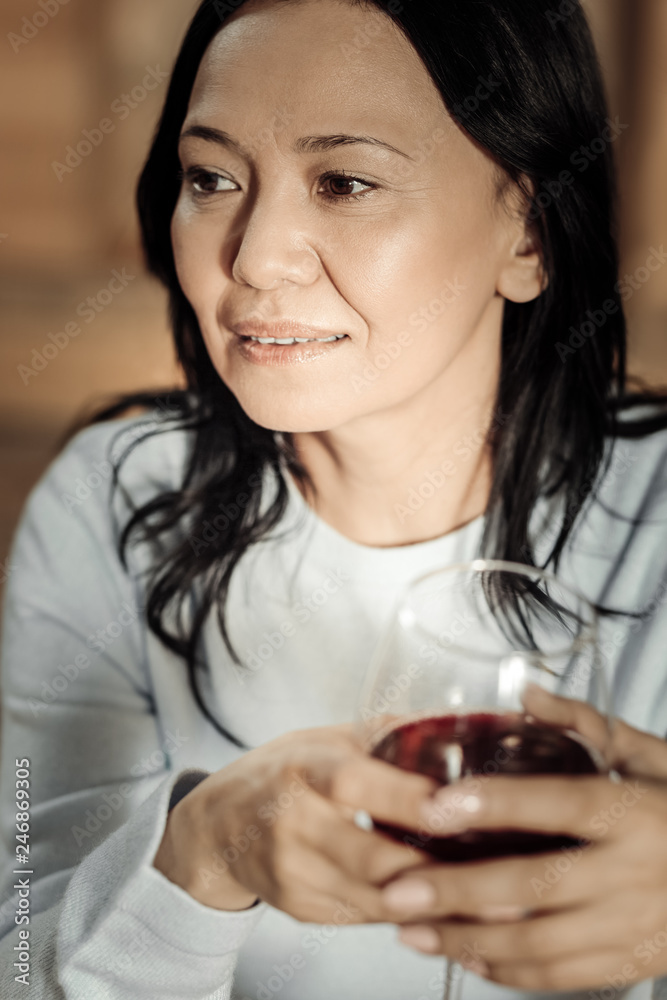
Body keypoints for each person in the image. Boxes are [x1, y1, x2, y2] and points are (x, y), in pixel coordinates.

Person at [2, 0, 667, 997]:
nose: (254, 259)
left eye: (344, 183)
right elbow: (23, 963)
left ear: (528, 233)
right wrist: (201, 853)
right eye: (211, 178)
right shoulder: (110, 501)